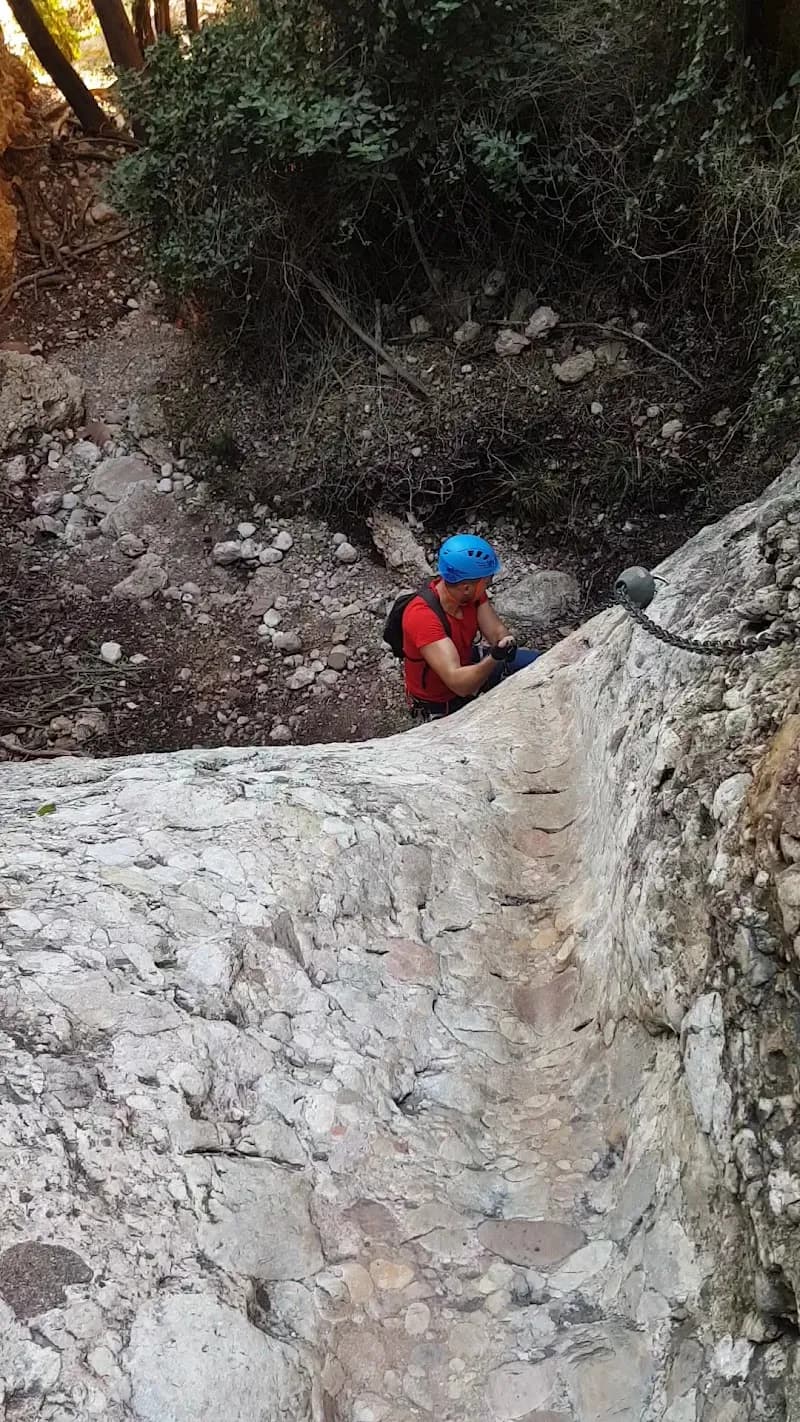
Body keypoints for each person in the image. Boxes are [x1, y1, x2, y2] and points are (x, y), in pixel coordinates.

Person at [402, 534, 540, 721]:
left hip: (467, 661)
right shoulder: (422, 617)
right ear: (466, 587)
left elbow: (495, 631)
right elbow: (459, 683)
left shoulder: (470, 596)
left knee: (537, 663)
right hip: (442, 699)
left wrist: (504, 642)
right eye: (487, 582)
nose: (488, 586)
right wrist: (495, 657)